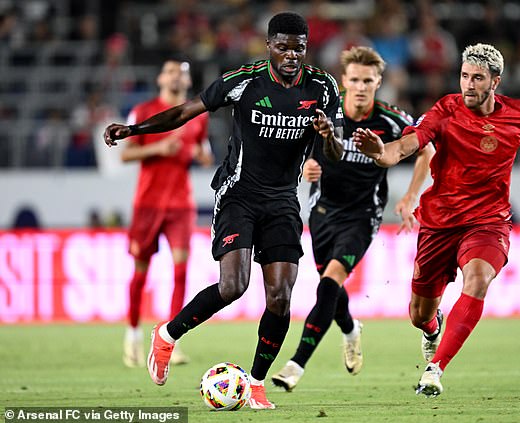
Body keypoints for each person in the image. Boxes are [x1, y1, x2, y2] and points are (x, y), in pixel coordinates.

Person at [104, 12, 343, 410]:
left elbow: (333, 153)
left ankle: (257, 383)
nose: (290, 55)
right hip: (238, 195)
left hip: (283, 199)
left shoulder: (323, 88)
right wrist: (134, 130)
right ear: (269, 45)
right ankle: (166, 334)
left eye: (297, 48)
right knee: (234, 285)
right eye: (282, 46)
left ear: (306, 47)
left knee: (281, 295)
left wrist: (328, 135)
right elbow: (184, 112)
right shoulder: (243, 80)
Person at [353, 43, 520, 397]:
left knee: (478, 279)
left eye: (477, 78)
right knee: (418, 314)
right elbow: (407, 146)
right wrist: (381, 153)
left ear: (495, 82)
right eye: (464, 76)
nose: (469, 84)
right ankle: (432, 330)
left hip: (488, 221)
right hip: (439, 223)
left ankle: (435, 369)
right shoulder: (445, 110)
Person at [271, 46, 434, 391]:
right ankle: (350, 329)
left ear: (378, 83)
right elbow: (291, 145)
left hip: (362, 215)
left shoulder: (391, 119)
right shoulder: (323, 113)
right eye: (355, 80)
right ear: (344, 81)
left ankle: (295, 365)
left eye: (368, 81)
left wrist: (410, 196)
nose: (361, 87)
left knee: (329, 283)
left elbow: (427, 150)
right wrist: (306, 166)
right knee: (331, 287)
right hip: (322, 211)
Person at [119, 59, 213, 368]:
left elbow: (204, 150)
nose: (175, 77)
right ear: (161, 78)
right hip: (147, 203)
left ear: (187, 81)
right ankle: (132, 335)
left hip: (180, 205)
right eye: (170, 71)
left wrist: (202, 156)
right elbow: (126, 154)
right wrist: (157, 150)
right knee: (140, 273)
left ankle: (171, 340)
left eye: (181, 73)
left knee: (181, 272)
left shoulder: (196, 115)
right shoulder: (144, 111)